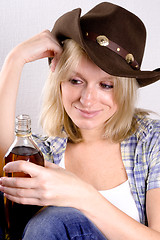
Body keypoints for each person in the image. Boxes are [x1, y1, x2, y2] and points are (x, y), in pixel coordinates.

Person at [0, 1, 160, 239]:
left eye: (106, 85)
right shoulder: (48, 151)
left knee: (53, 221)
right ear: (60, 83)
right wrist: (15, 60)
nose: (87, 99)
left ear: (125, 92)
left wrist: (82, 195)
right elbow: (5, 158)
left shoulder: (150, 140)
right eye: (76, 81)